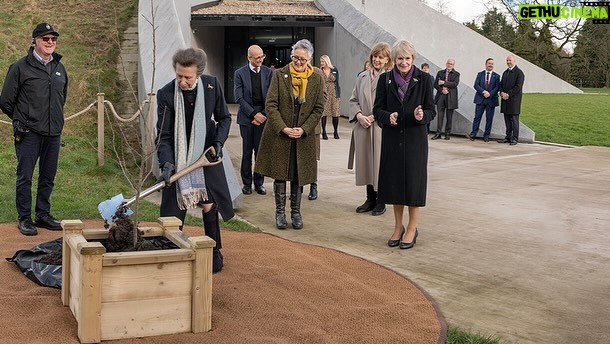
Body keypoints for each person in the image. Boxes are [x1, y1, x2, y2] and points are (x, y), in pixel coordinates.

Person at [156, 47, 234, 273]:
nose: (182, 81)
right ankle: (172, 251)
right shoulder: (166, 94)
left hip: (205, 154)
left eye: (187, 77)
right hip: (178, 157)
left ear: (198, 74)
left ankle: (213, 250)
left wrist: (218, 144)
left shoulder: (211, 86)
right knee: (172, 211)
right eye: (179, 75)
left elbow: (224, 118)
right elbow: (164, 136)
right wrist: (167, 163)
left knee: (209, 204)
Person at [0, 23, 68, 236]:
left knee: (48, 176)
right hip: (29, 134)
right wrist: (22, 120)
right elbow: (5, 101)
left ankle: (43, 214)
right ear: (35, 41)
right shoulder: (20, 67)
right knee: (25, 176)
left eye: (53, 39)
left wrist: (53, 119)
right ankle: (24, 218)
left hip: (53, 133)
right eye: (45, 39)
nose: (50, 43)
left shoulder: (59, 68)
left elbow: (61, 97)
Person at [255, 39, 324, 230]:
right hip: (280, 135)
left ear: (310, 58)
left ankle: (296, 212)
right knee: (279, 174)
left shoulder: (317, 79)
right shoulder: (279, 75)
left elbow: (319, 108)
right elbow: (271, 104)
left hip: (302, 136)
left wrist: (304, 129)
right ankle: (279, 213)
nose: (298, 62)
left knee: (297, 175)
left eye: (302, 59)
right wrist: (283, 128)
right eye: (295, 57)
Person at [373, 39, 435, 250]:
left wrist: (421, 116)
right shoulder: (385, 79)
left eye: (407, 58)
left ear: (413, 59)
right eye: (400, 58)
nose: (403, 62)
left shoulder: (425, 79)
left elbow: (431, 111)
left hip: (415, 141)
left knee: (413, 185)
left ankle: (412, 228)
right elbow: (377, 109)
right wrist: (387, 116)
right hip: (392, 140)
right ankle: (398, 227)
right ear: (394, 59)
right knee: (395, 185)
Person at [348, 42, 393, 216]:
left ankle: (381, 200)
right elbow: (353, 99)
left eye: (381, 57)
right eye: (375, 56)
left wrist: (375, 116)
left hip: (380, 126)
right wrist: (359, 115)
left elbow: (392, 103)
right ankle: (370, 198)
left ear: (387, 59)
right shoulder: (362, 77)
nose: (377, 60)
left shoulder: (389, 78)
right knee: (366, 163)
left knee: (380, 164)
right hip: (363, 125)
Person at [234, 45, 273, 195]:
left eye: (262, 56)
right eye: (257, 57)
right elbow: (239, 97)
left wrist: (262, 115)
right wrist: (253, 114)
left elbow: (271, 97)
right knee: (246, 152)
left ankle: (259, 183)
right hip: (246, 118)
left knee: (260, 152)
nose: (260, 60)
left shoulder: (269, 73)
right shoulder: (240, 74)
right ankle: (246, 183)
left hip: (263, 117)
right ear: (249, 58)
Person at [467, 58, 500, 142]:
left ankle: (486, 136)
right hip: (480, 99)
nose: (491, 65)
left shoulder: (496, 76)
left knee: (489, 119)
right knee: (477, 117)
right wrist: (483, 92)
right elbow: (476, 85)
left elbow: (497, 87)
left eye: (492, 64)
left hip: (491, 100)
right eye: (489, 63)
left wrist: (490, 93)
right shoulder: (480, 74)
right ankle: (473, 134)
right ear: (485, 64)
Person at [498, 54, 525, 145]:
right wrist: (501, 92)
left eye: (510, 60)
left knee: (514, 120)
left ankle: (515, 138)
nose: (508, 62)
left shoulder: (519, 73)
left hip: (514, 101)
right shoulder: (505, 73)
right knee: (507, 120)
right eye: (507, 60)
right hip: (505, 100)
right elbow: (501, 85)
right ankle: (508, 137)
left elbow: (518, 87)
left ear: (514, 61)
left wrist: (508, 94)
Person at [431, 58, 459, 140]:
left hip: (451, 97)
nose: (449, 65)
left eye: (451, 64)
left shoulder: (456, 74)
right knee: (440, 115)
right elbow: (436, 84)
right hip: (441, 96)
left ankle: (447, 134)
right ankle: (438, 133)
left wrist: (444, 83)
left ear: (453, 65)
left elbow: (455, 84)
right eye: (448, 63)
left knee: (449, 117)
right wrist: (442, 90)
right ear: (446, 64)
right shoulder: (440, 73)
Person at [319, 55, 341, 139]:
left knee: (335, 113)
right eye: (321, 62)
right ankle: (324, 131)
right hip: (324, 93)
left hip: (334, 93)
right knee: (323, 113)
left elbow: (337, 81)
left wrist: (338, 94)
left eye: (323, 61)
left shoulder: (334, 69)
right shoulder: (320, 71)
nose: (322, 63)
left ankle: (335, 131)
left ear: (327, 61)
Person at [420, 62, 435, 133]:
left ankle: (427, 130)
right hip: (421, 98)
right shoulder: (420, 77)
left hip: (429, 97)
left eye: (427, 68)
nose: (426, 70)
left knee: (428, 113)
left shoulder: (431, 77)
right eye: (424, 68)